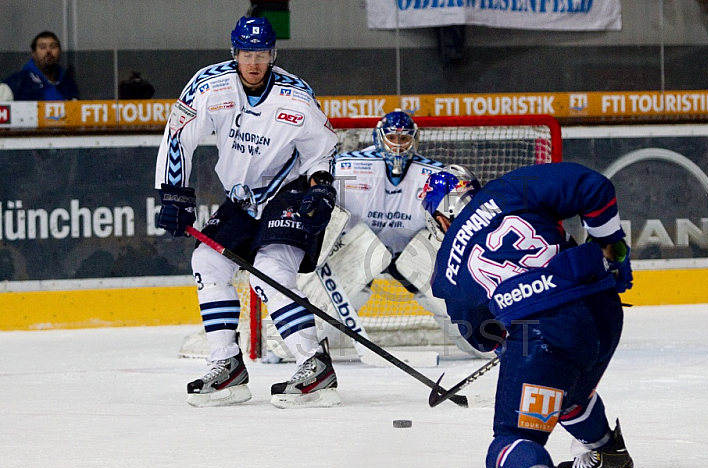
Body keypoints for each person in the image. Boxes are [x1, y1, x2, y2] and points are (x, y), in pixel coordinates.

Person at [421, 162, 635, 468]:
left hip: (545, 332)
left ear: (440, 218)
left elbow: (480, 333)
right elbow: (593, 187)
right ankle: (607, 451)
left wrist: (510, 347)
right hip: (603, 309)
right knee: (567, 392)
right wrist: (613, 247)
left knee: (508, 438)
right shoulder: (511, 187)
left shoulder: (445, 269)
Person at [154, 16, 339, 409]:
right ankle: (227, 365)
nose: (253, 62)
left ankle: (314, 363)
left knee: (271, 271)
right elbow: (178, 135)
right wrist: (174, 195)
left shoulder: (297, 97)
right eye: (246, 53)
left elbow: (322, 148)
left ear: (273, 54)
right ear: (234, 53)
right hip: (242, 197)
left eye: (261, 54)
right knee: (207, 260)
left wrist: (321, 186)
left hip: (288, 191)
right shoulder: (208, 85)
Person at [325, 110, 487, 361]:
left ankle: (484, 340)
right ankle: (308, 346)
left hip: (414, 251)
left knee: (463, 322)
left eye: (404, 139)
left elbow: (460, 218)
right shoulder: (346, 165)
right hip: (360, 249)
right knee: (321, 323)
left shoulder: (435, 174)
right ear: (379, 137)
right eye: (392, 138)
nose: (398, 145)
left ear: (415, 139)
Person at [3, 31, 78, 101]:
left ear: (60, 52)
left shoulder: (68, 84)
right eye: (42, 47)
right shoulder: (16, 83)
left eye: (53, 46)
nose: (48, 51)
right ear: (33, 54)